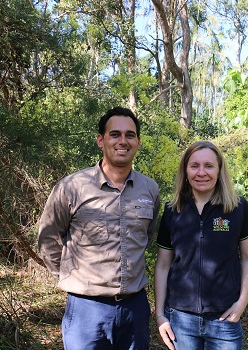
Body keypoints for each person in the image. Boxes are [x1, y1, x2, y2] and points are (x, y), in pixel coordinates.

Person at [37, 106, 160, 350]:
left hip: (135, 308)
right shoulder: (71, 187)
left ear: (138, 142)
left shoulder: (150, 189)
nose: (122, 141)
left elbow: (148, 236)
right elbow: (48, 239)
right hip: (86, 310)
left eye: (130, 135)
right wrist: (69, 277)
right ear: (100, 140)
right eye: (115, 134)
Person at [154, 141, 248, 350]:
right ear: (185, 170)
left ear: (219, 170)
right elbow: (163, 265)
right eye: (194, 166)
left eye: (209, 166)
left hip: (224, 319)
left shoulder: (237, 207)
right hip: (181, 320)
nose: (201, 173)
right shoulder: (172, 210)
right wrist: (159, 315)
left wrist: (242, 302)